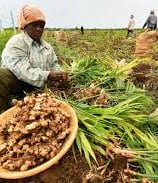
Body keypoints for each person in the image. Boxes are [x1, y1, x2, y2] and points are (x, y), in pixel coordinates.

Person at [0, 4, 68, 113]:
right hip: (19, 83)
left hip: (40, 85)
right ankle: (3, 116)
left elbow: (54, 64)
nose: (39, 29)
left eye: (41, 26)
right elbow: (23, 71)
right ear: (25, 26)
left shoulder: (47, 47)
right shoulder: (16, 43)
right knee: (1, 75)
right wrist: (48, 75)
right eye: (34, 25)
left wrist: (59, 74)